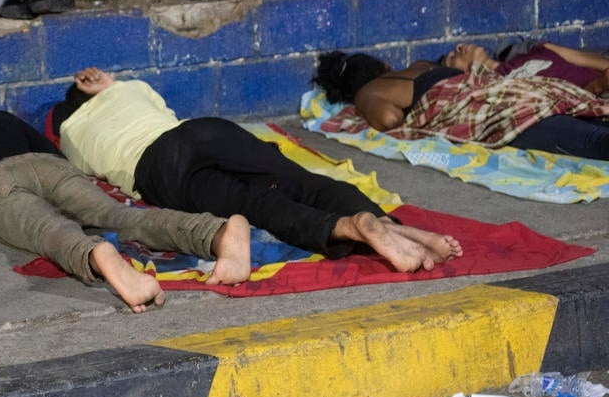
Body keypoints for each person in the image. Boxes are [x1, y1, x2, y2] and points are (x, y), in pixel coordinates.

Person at [53, 68, 461, 273]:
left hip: (159, 166)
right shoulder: (131, 90)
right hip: (202, 131)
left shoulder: (70, 135)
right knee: (300, 180)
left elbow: (89, 177)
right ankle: (395, 226)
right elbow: (142, 101)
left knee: (258, 205)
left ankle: (352, 229)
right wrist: (110, 85)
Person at [0, 111, 252, 312]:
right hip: (49, 166)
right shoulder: (1, 120)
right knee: (122, 215)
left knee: (48, 231)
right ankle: (218, 232)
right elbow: (48, 149)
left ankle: (96, 252)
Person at [313, 50, 609, 160]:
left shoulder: (367, 92)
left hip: (479, 105)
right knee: (579, 114)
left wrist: (365, 110)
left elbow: (389, 120)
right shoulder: (421, 64)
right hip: (505, 88)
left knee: (588, 139)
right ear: (382, 64)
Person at [442, 40, 609, 96]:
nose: (458, 47)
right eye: (451, 58)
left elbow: (581, 58)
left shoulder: (532, 50)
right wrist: (599, 86)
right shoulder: (497, 87)